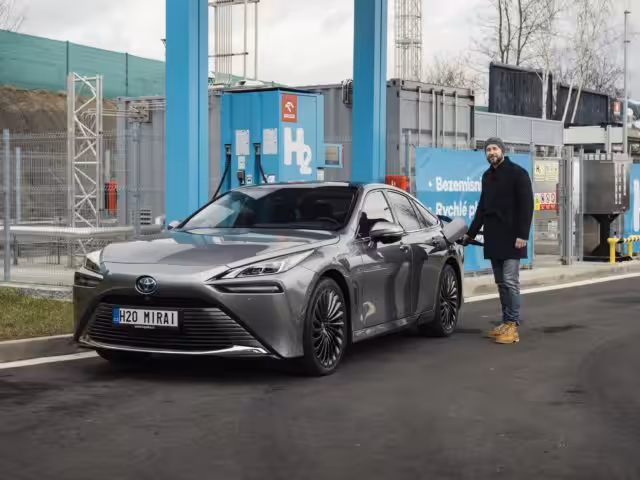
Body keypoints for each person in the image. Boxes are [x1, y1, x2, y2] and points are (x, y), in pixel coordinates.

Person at [463, 137, 534, 344]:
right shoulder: (487, 176)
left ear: (502, 150)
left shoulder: (518, 173)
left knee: (511, 281)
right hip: (494, 237)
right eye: (488, 150)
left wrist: (523, 235)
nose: (491, 152)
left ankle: (513, 326)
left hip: (513, 237)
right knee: (501, 283)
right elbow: (482, 208)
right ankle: (505, 322)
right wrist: (471, 233)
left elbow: (527, 205)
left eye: (494, 149)